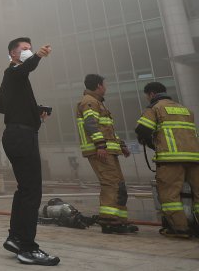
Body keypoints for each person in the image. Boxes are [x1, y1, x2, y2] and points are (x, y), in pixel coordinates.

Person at [0, 37, 59, 266]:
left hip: (16, 135)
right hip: (22, 137)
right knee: (32, 192)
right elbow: (26, 68)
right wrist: (38, 56)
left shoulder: (14, 79)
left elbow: (1, 106)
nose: (29, 51)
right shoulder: (14, 72)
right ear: (13, 54)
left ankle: (15, 238)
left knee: (24, 191)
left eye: (30, 49)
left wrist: (35, 111)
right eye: (24, 49)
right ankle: (28, 248)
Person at [134, 81, 199, 239]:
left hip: (171, 160)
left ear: (151, 94)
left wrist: (153, 144)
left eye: (147, 96)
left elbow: (142, 130)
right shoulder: (185, 110)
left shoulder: (155, 108)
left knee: (170, 196)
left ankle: (181, 229)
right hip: (195, 158)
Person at [75, 74, 137, 234]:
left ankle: (119, 221)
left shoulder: (97, 103)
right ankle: (110, 222)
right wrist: (100, 146)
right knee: (111, 184)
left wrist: (121, 145)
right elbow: (91, 125)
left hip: (108, 150)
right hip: (101, 151)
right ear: (99, 86)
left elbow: (107, 129)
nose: (106, 87)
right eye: (104, 84)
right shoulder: (89, 102)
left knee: (118, 185)